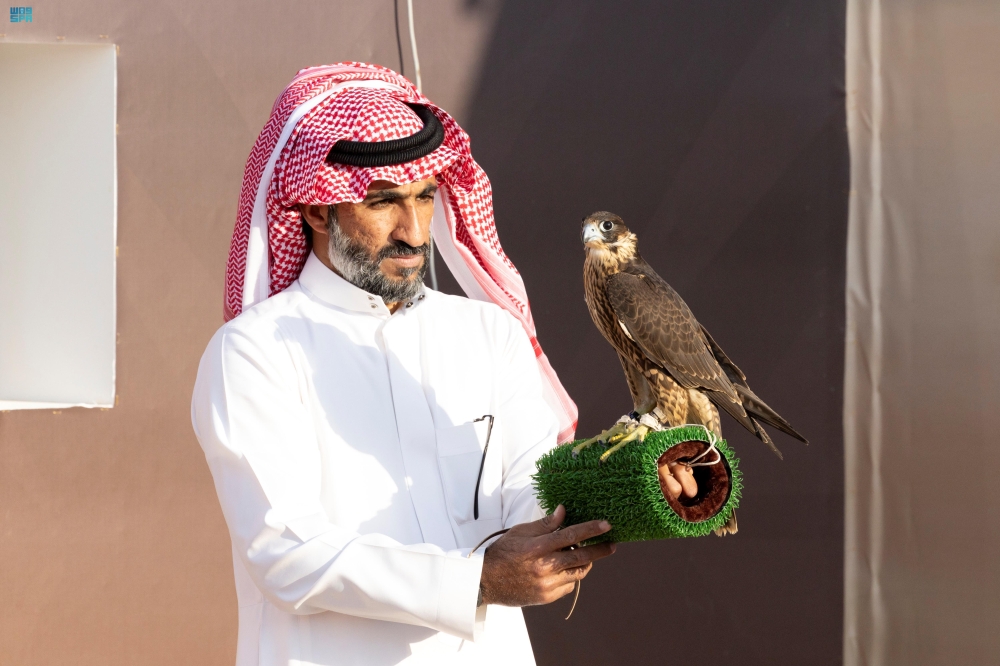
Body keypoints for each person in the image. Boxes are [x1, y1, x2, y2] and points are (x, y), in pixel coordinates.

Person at [191, 63, 611, 666]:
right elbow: (286, 553)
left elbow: (536, 494)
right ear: (314, 210)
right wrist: (479, 581)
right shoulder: (254, 352)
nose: (415, 233)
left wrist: (646, 481)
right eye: (384, 202)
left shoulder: (488, 335)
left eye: (425, 197)